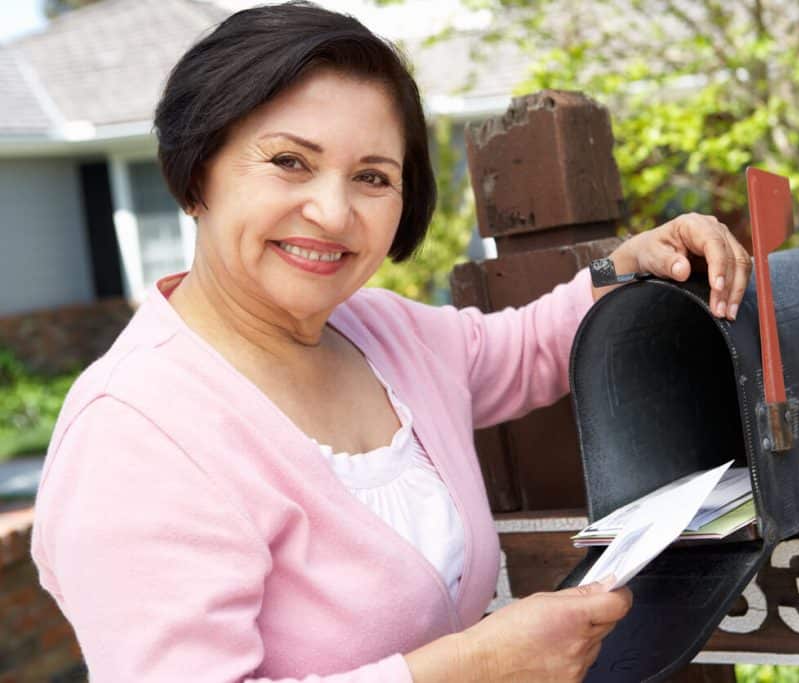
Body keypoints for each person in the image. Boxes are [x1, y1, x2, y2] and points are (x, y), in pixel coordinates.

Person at [29, 3, 752, 681]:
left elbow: (526, 346)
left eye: (373, 176)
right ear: (197, 172)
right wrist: (473, 667)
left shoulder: (384, 331)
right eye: (289, 161)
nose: (333, 210)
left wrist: (626, 262)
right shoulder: (133, 435)